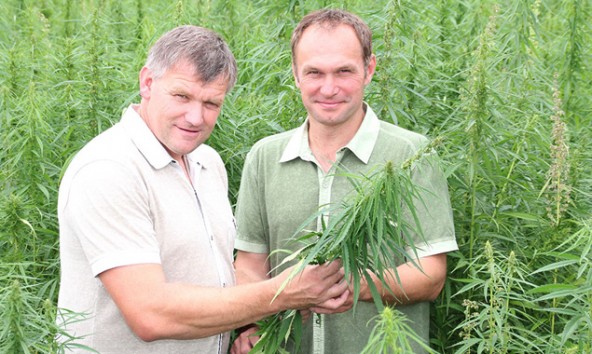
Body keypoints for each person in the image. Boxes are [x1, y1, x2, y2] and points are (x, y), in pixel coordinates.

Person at [56, 25, 349, 354]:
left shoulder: (206, 163)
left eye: (211, 103)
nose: (195, 117)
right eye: (182, 96)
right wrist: (284, 292)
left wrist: (256, 322)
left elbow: (214, 280)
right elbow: (150, 314)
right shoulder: (109, 170)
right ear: (148, 82)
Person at [232, 9, 458, 354]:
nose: (329, 88)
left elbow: (431, 274)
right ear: (295, 74)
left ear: (369, 69)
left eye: (344, 71)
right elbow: (248, 264)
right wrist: (253, 324)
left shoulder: (411, 154)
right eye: (314, 72)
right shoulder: (265, 157)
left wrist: (357, 286)